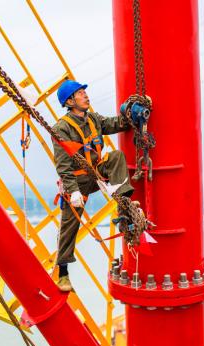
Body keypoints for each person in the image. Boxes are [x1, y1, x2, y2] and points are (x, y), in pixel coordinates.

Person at [51, 80, 135, 292]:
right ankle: (63, 273)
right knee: (69, 226)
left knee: (116, 157)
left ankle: (123, 202)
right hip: (77, 181)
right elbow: (63, 165)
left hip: (96, 173)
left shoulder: (93, 120)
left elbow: (116, 124)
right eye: (80, 94)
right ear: (70, 101)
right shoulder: (61, 128)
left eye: (84, 93)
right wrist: (74, 191)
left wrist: (133, 114)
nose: (85, 96)